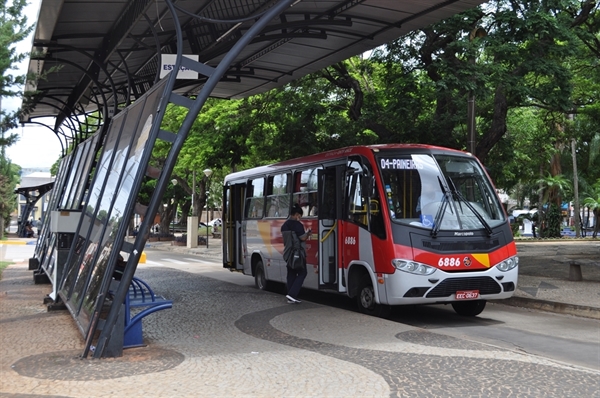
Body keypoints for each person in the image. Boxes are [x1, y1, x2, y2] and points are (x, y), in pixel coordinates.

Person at [281, 204, 311, 304]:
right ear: (297, 214)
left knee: (291, 273)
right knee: (303, 272)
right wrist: (308, 234)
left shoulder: (285, 225)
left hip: (288, 253)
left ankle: (291, 297)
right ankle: (292, 294)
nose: (300, 218)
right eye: (300, 216)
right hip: (297, 253)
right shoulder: (297, 225)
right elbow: (302, 238)